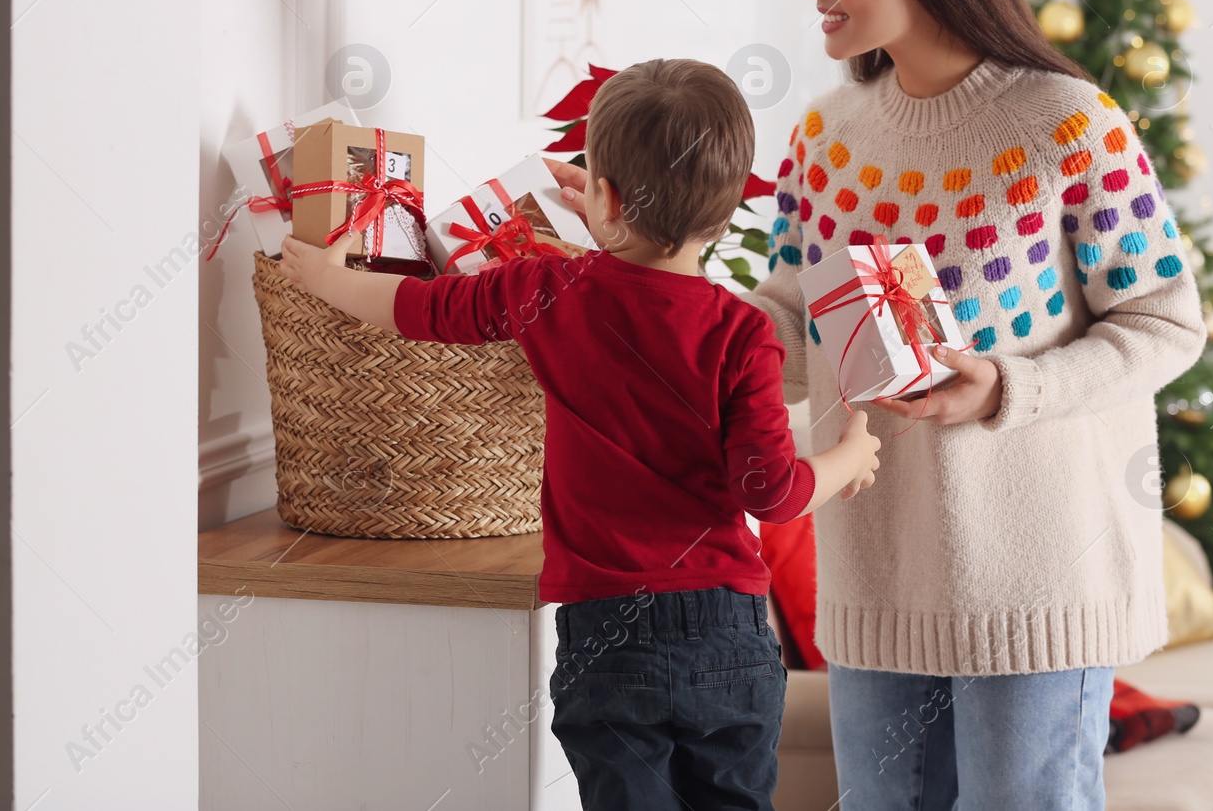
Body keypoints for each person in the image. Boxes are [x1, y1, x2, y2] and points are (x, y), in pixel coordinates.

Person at [551, 0, 1208, 809]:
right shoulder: (826, 136)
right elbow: (779, 323)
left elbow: (1166, 320)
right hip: (876, 582)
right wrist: (631, 263)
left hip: (1037, 587)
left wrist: (1010, 386)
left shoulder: (1067, 123)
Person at [277, 57, 882, 811]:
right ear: (725, 214)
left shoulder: (547, 293)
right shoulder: (743, 331)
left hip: (608, 632)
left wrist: (324, 276)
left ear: (602, 195)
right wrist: (847, 458)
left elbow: (422, 308)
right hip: (725, 629)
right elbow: (772, 490)